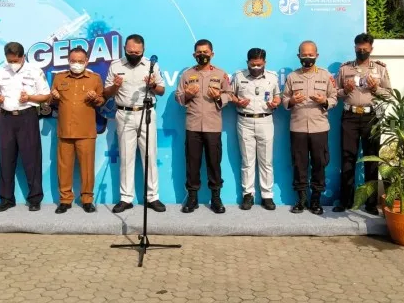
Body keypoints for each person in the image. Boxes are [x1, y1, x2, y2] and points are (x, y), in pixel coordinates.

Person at [0, 42, 50, 212]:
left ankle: (34, 199)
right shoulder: (1, 71)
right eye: (9, 60)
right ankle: (6, 199)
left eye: (15, 60)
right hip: (6, 118)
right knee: (5, 159)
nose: (12, 63)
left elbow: (46, 95)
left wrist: (31, 98)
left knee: (32, 159)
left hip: (27, 117)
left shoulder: (34, 71)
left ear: (22, 57)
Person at [104, 34, 167, 213]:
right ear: (125, 49)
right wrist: (115, 86)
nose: (134, 54)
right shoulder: (115, 65)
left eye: (137, 52)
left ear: (143, 50)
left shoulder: (151, 65)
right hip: (124, 114)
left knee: (150, 156)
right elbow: (106, 93)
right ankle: (126, 198)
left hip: (146, 113)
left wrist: (153, 85)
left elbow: (161, 90)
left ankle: (152, 197)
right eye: (130, 51)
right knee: (126, 157)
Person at [334, 33, 391, 215]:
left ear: (371, 49)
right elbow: (335, 93)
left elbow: (389, 94)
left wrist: (375, 88)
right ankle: (345, 201)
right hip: (349, 116)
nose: (362, 51)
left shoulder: (380, 69)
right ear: (354, 48)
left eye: (365, 49)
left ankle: (371, 204)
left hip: (371, 117)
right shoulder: (345, 69)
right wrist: (346, 89)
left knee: (371, 160)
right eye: (358, 49)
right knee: (347, 158)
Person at [175, 39, 232, 214]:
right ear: (194, 55)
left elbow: (229, 95)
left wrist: (218, 97)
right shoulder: (186, 75)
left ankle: (216, 197)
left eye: (205, 52)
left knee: (214, 163)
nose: (202, 55)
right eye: (199, 52)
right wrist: (187, 95)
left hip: (213, 126)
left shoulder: (221, 75)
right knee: (192, 163)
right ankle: (192, 198)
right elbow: (178, 96)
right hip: (193, 125)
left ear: (212, 54)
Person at [282, 40, 338, 215]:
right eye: (304, 55)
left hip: (319, 127)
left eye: (310, 55)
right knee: (299, 164)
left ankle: (315, 200)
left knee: (319, 163)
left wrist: (324, 101)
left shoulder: (326, 76)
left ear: (317, 55)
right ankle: (301, 199)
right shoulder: (292, 77)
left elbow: (335, 98)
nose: (307, 58)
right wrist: (291, 101)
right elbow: (284, 100)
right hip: (298, 127)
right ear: (299, 56)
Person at [50, 47, 105, 214]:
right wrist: (53, 97)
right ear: (68, 60)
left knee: (87, 168)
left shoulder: (95, 79)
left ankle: (87, 200)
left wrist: (95, 98)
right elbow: (51, 100)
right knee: (64, 167)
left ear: (86, 62)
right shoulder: (59, 78)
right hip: (65, 130)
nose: (76, 64)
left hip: (86, 131)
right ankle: (65, 200)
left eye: (80, 61)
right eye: (73, 61)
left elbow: (101, 101)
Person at [230, 48, 280, 211]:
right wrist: (237, 101)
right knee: (247, 161)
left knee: (266, 161)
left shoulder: (272, 77)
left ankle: (267, 196)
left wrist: (276, 102)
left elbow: (277, 95)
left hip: (265, 120)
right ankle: (248, 195)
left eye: (259, 65)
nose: (256, 68)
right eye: (253, 65)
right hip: (245, 120)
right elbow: (230, 95)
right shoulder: (239, 76)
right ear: (248, 63)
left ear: (265, 62)